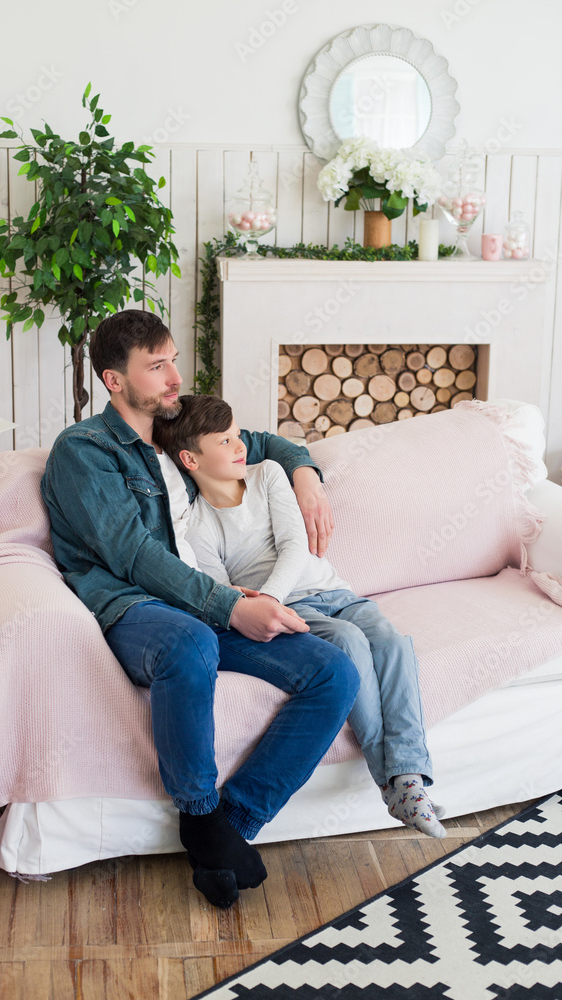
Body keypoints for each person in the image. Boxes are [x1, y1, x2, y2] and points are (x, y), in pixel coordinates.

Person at [41, 309, 360, 908]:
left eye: (174, 360)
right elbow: (131, 554)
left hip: (204, 603)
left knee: (334, 670)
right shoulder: (83, 451)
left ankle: (228, 827)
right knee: (191, 642)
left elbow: (267, 443)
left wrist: (306, 474)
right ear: (114, 381)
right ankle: (198, 811)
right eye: (156, 366)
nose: (173, 377)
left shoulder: (173, 434)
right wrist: (228, 605)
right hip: (134, 608)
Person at [153, 393, 447, 840]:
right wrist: (265, 605)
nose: (239, 446)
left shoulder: (269, 475)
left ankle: (405, 776)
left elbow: (295, 546)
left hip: (331, 589)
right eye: (225, 440)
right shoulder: (197, 524)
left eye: (237, 435)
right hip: (299, 609)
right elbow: (221, 590)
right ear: (190, 458)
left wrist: (266, 596)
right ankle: (398, 783)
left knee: (392, 641)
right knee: (346, 642)